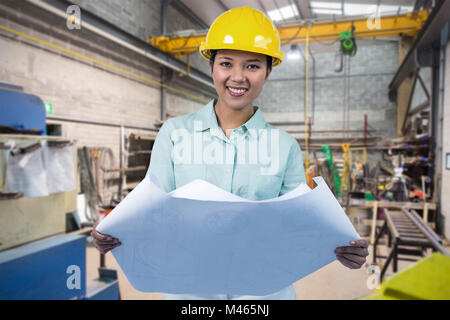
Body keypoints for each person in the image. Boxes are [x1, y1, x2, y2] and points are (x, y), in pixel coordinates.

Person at [92, 6, 368, 300]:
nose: (238, 77)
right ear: (211, 66)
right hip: (191, 293)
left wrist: (340, 246)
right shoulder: (174, 135)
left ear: (268, 71)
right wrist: (113, 232)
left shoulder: (284, 146)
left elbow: (298, 226)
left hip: (262, 294)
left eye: (252, 66)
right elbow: (151, 211)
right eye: (226, 63)